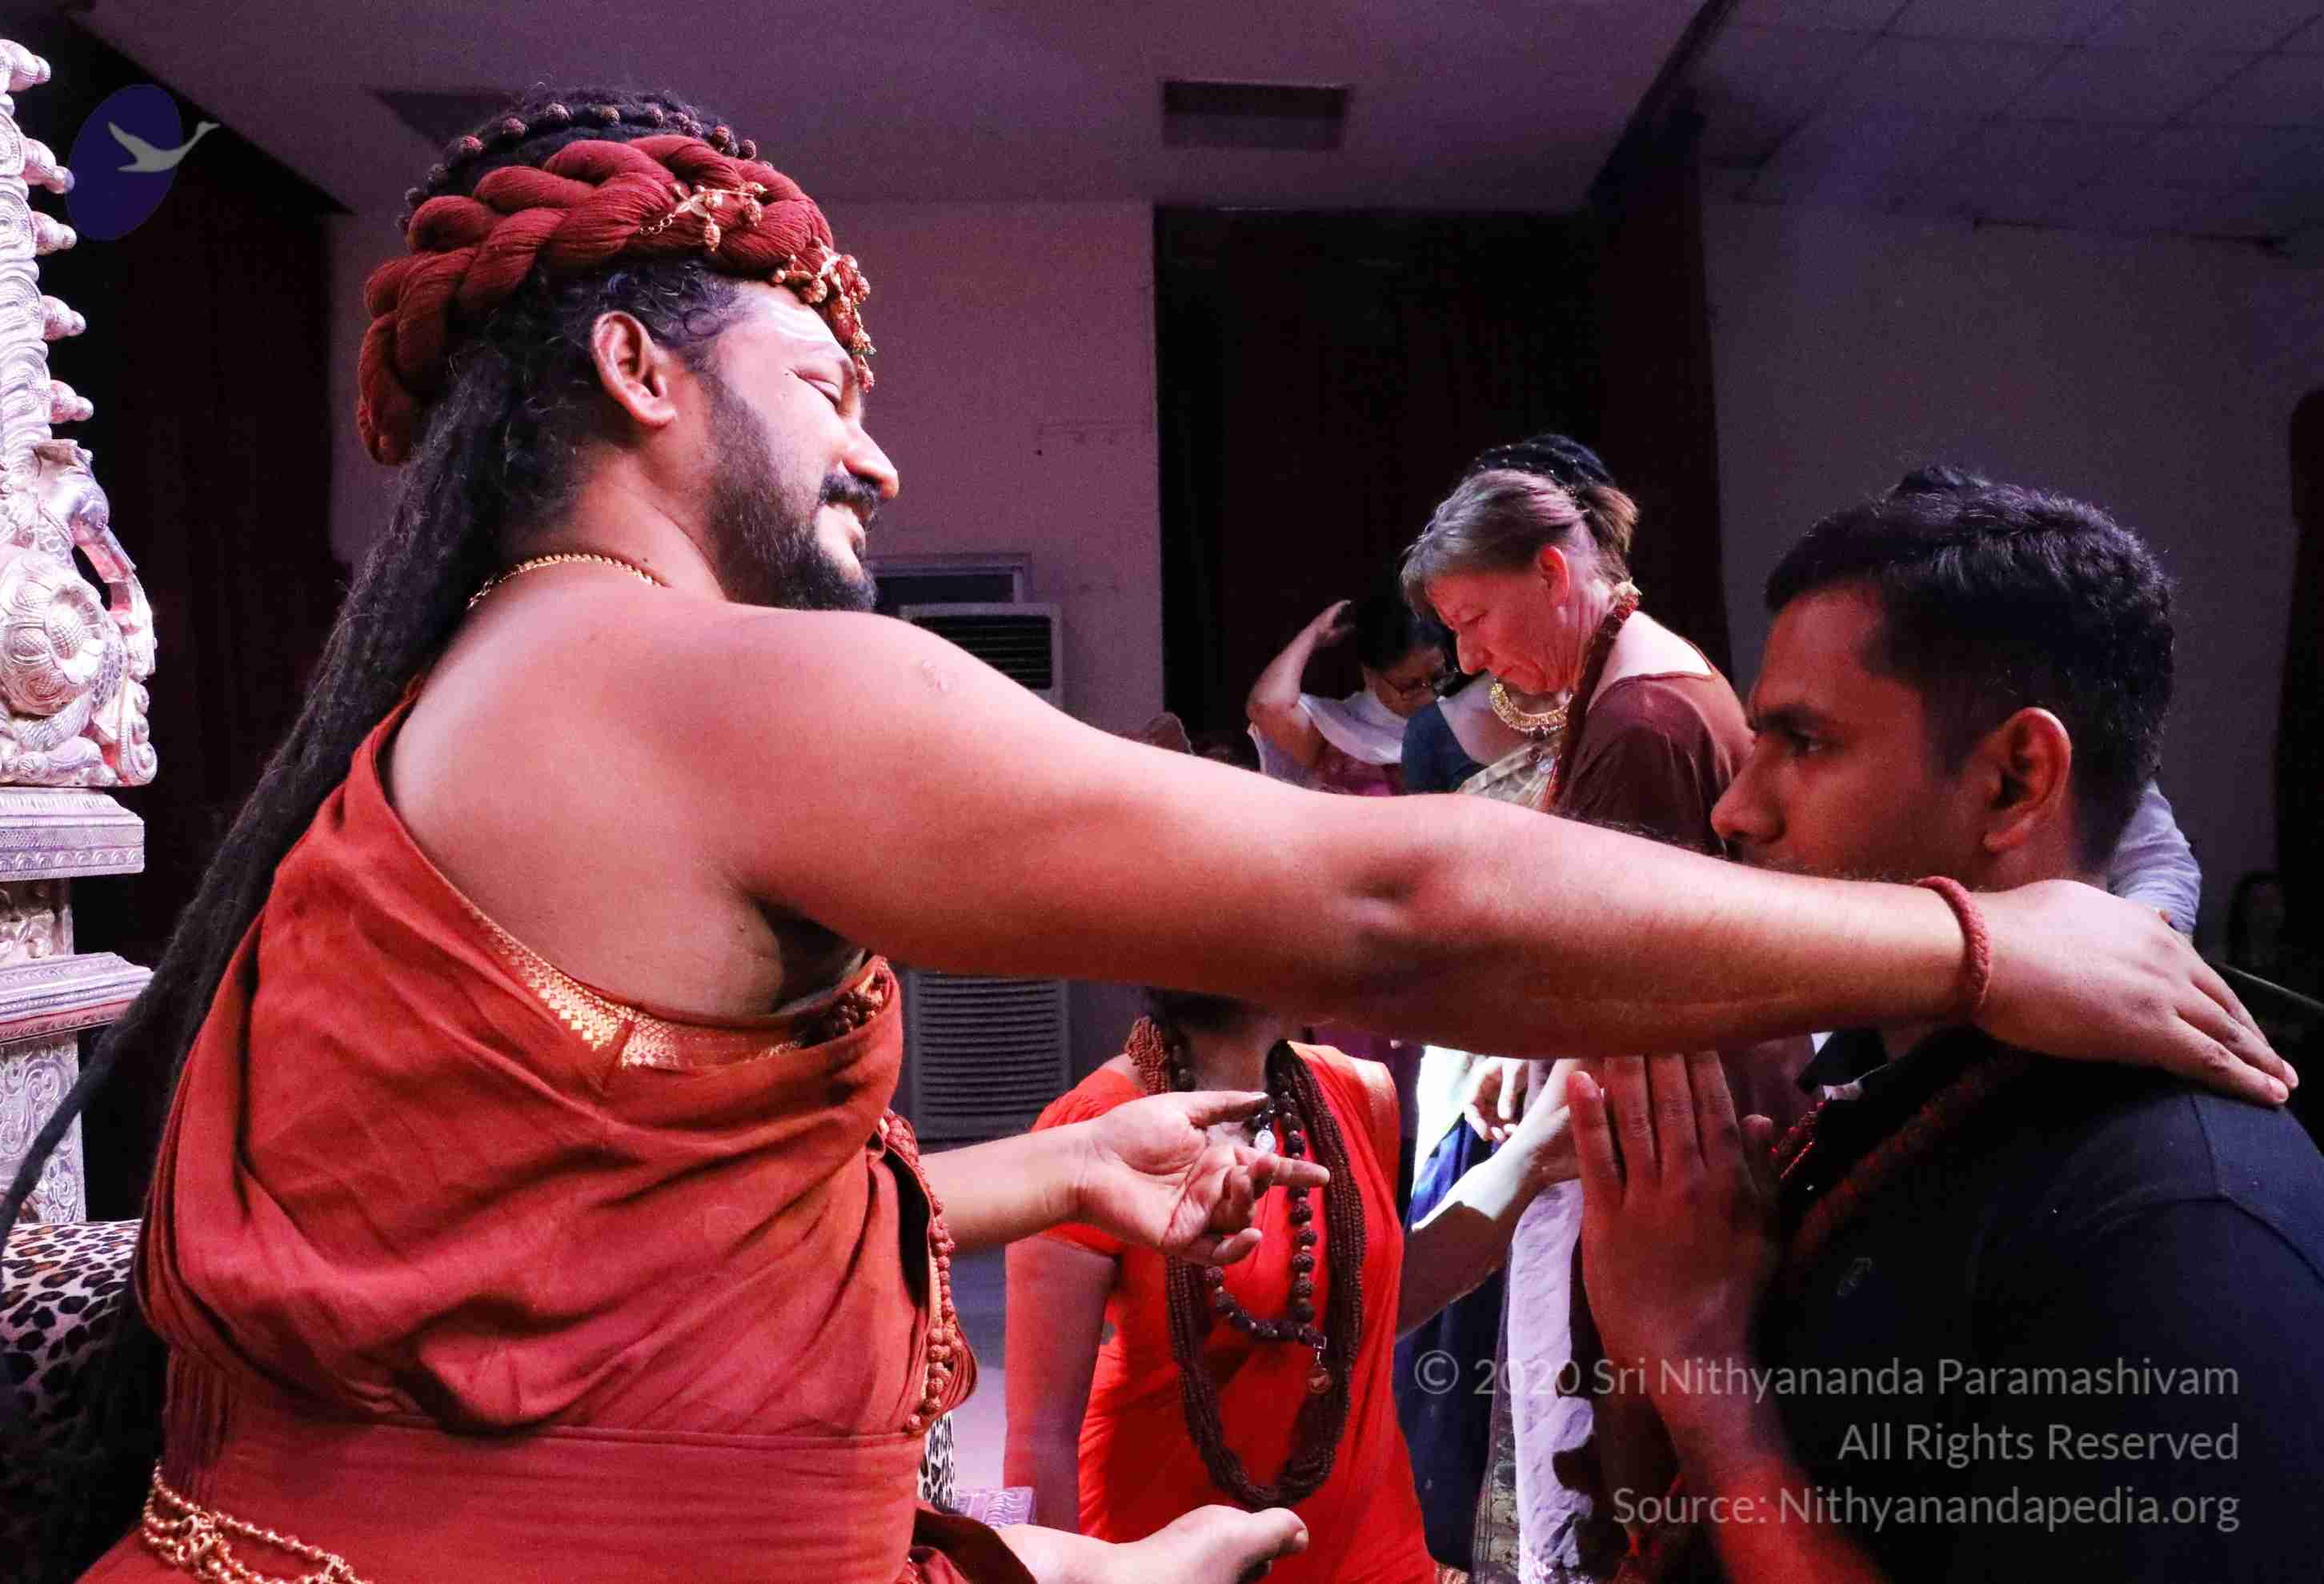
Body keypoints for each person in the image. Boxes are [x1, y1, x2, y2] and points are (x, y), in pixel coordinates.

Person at [2, 87, 2288, 1584]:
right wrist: (1977, 948)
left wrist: (1049, 1300)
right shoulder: (675, 667)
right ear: (638, 372)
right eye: (828, 390)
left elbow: (593, 1287)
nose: (876, 460)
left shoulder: (484, 697)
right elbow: (1386, 902)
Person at [1573, 479, 2324, 1582]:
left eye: (1805, 742)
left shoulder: (2177, 1213)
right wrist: (1651, 1333)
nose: (1735, 808)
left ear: (2014, 780)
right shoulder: (1875, 1087)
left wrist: (1705, 1377)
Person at [1401, 447, 1812, 1584]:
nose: (1467, 657)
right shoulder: (1630, 681)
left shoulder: (1640, 716)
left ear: (1550, 570)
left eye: (1475, 620)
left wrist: (1542, 1066)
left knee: (1623, 1481)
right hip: (1659, 1128)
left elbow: (1628, 971)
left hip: (1660, 1157)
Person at [1004, 986, 1572, 1583]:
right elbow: (1041, 1437)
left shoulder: (1356, 1091)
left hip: (1372, 1553)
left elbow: (1364, 1314)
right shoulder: (1091, 1127)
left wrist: (1531, 1157)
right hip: (1162, 1555)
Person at [1246, 592, 1447, 795]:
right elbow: (1268, 705)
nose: (1429, 695)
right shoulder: (1334, 732)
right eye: (1410, 685)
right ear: (1370, 675)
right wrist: (1314, 633)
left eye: (1438, 678)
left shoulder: (1455, 719)